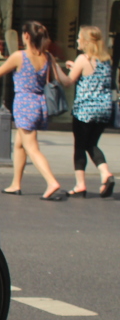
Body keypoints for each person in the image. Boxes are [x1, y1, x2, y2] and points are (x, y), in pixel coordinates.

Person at [0, 21, 69, 200]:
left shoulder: (20, 56)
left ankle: (51, 182)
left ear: (26, 36)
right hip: (39, 102)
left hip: (24, 103)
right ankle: (15, 184)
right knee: (20, 145)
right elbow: (62, 79)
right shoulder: (47, 57)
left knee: (32, 147)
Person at [58, 25, 114, 198]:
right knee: (92, 144)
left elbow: (68, 81)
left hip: (85, 111)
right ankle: (105, 174)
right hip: (103, 109)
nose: (77, 41)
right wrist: (75, 66)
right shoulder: (106, 60)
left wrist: (56, 69)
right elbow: (93, 75)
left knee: (80, 146)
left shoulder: (83, 59)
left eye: (79, 38)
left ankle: (80, 184)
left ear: (86, 42)